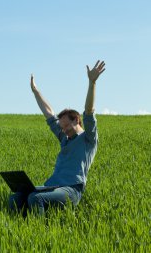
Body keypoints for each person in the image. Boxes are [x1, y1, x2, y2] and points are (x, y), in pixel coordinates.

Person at [9, 60, 106, 216]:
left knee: (36, 198)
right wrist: (36, 92)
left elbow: (89, 111)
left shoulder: (89, 139)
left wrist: (92, 83)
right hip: (52, 186)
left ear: (76, 120)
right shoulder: (64, 138)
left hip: (71, 190)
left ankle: (38, 232)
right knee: (16, 197)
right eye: (62, 127)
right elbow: (49, 114)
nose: (64, 130)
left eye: (66, 126)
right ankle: (19, 227)